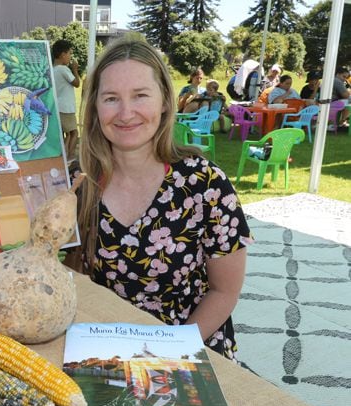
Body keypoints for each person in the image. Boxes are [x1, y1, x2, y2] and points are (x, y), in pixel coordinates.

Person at [70, 38, 253, 361]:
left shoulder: (205, 184)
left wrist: (166, 355)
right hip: (107, 353)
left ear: (166, 101)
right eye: (111, 98)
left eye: (140, 95)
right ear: (95, 108)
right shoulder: (80, 183)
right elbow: (70, 277)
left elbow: (225, 291)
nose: (126, 113)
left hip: (191, 346)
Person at [52, 39, 80, 162]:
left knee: (66, 134)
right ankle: (70, 156)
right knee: (74, 132)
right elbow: (77, 83)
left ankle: (63, 156)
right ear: (63, 54)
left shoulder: (53, 69)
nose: (70, 57)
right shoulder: (64, 69)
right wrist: (75, 69)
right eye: (69, 53)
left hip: (58, 106)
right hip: (66, 108)